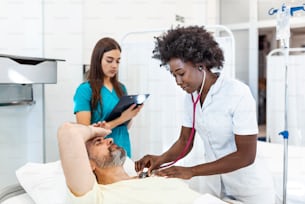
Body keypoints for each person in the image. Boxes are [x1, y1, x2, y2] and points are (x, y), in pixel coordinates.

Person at [135, 25, 275, 204]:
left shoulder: (237, 93)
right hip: (215, 188)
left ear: (200, 65)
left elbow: (246, 155)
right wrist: (159, 159)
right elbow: (185, 141)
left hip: (249, 189)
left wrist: (192, 171)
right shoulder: (191, 98)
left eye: (181, 73)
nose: (178, 82)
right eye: (174, 76)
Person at [57, 122, 227, 204]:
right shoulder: (95, 196)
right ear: (89, 165)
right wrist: (96, 130)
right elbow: (67, 131)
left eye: (105, 138)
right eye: (98, 142)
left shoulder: (154, 177)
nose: (109, 140)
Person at [73, 37, 142, 158]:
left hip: (123, 148)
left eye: (118, 61)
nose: (114, 66)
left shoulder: (121, 88)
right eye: (109, 60)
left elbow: (125, 127)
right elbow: (84, 133)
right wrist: (122, 118)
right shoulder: (85, 90)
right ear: (97, 60)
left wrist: (131, 115)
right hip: (102, 155)